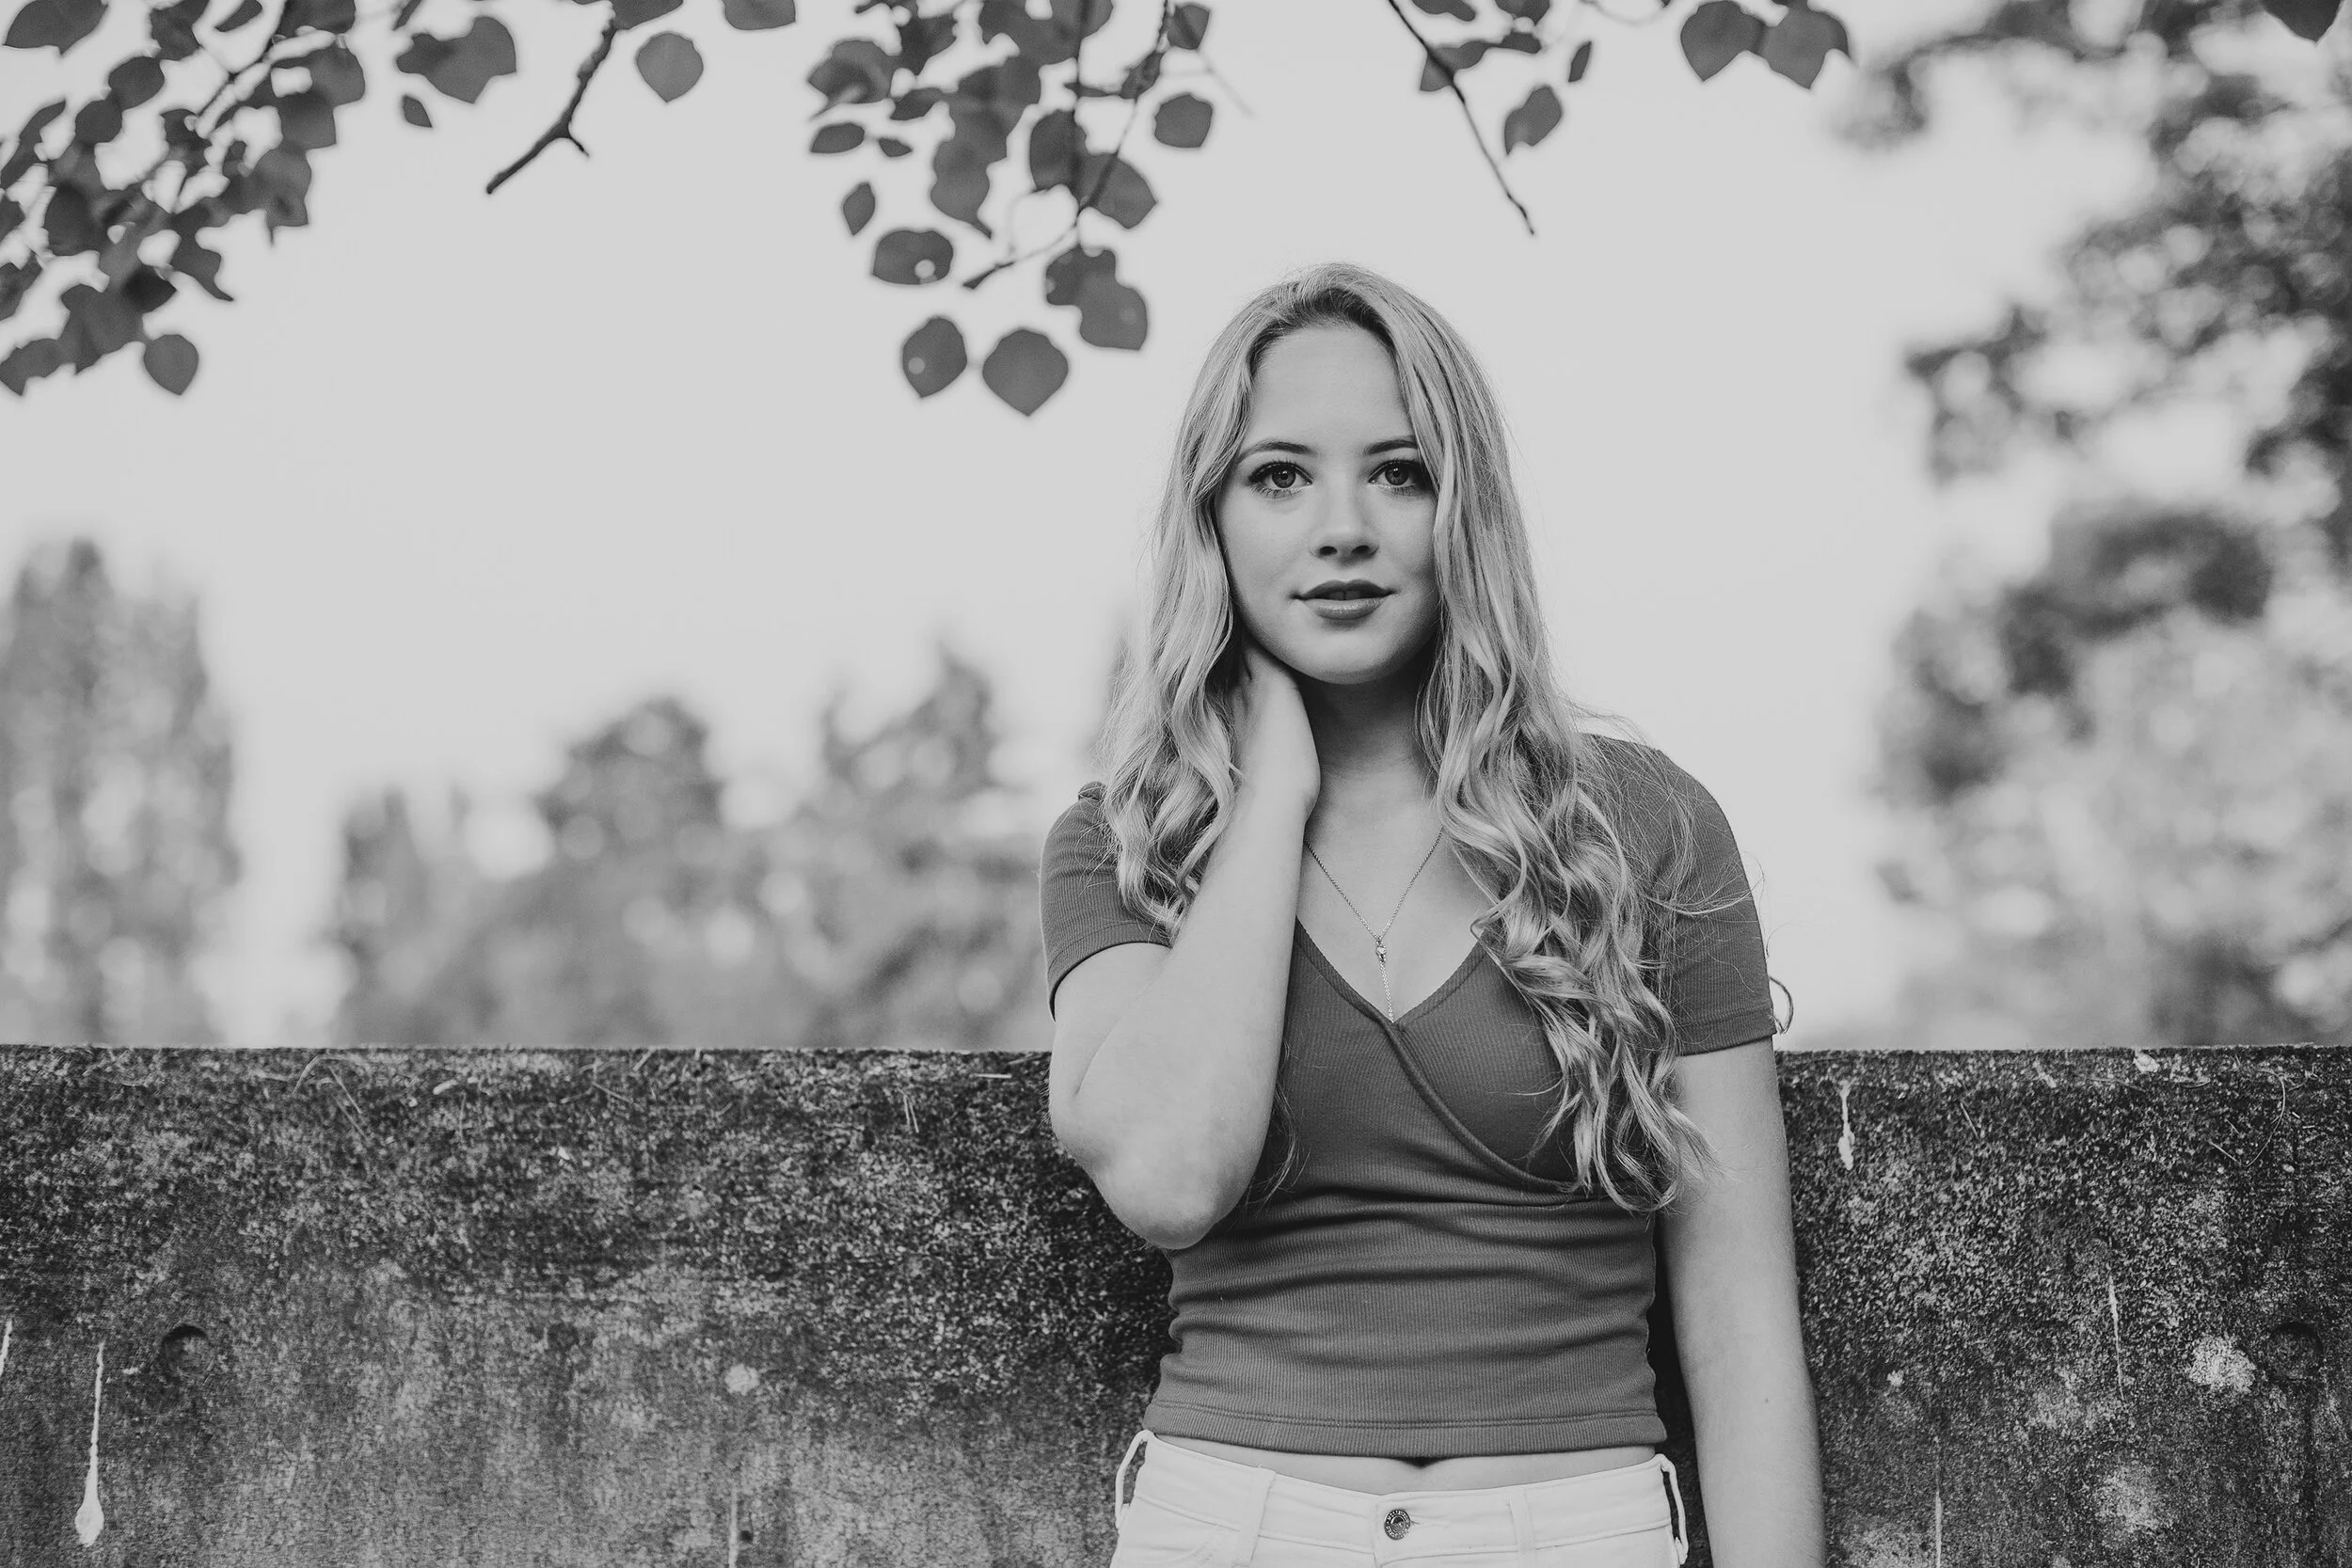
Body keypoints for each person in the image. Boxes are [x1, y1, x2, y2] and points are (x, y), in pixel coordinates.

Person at [1037, 261, 1822, 1568]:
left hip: (1574, 1535)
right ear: (1211, 517)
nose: (1343, 528)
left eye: (1399, 472)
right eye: (1280, 476)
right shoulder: (1123, 842)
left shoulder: (1642, 825)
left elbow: (1739, 1314)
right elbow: (1171, 1180)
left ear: (1467, 507)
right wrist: (1271, 795)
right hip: (1231, 1530)